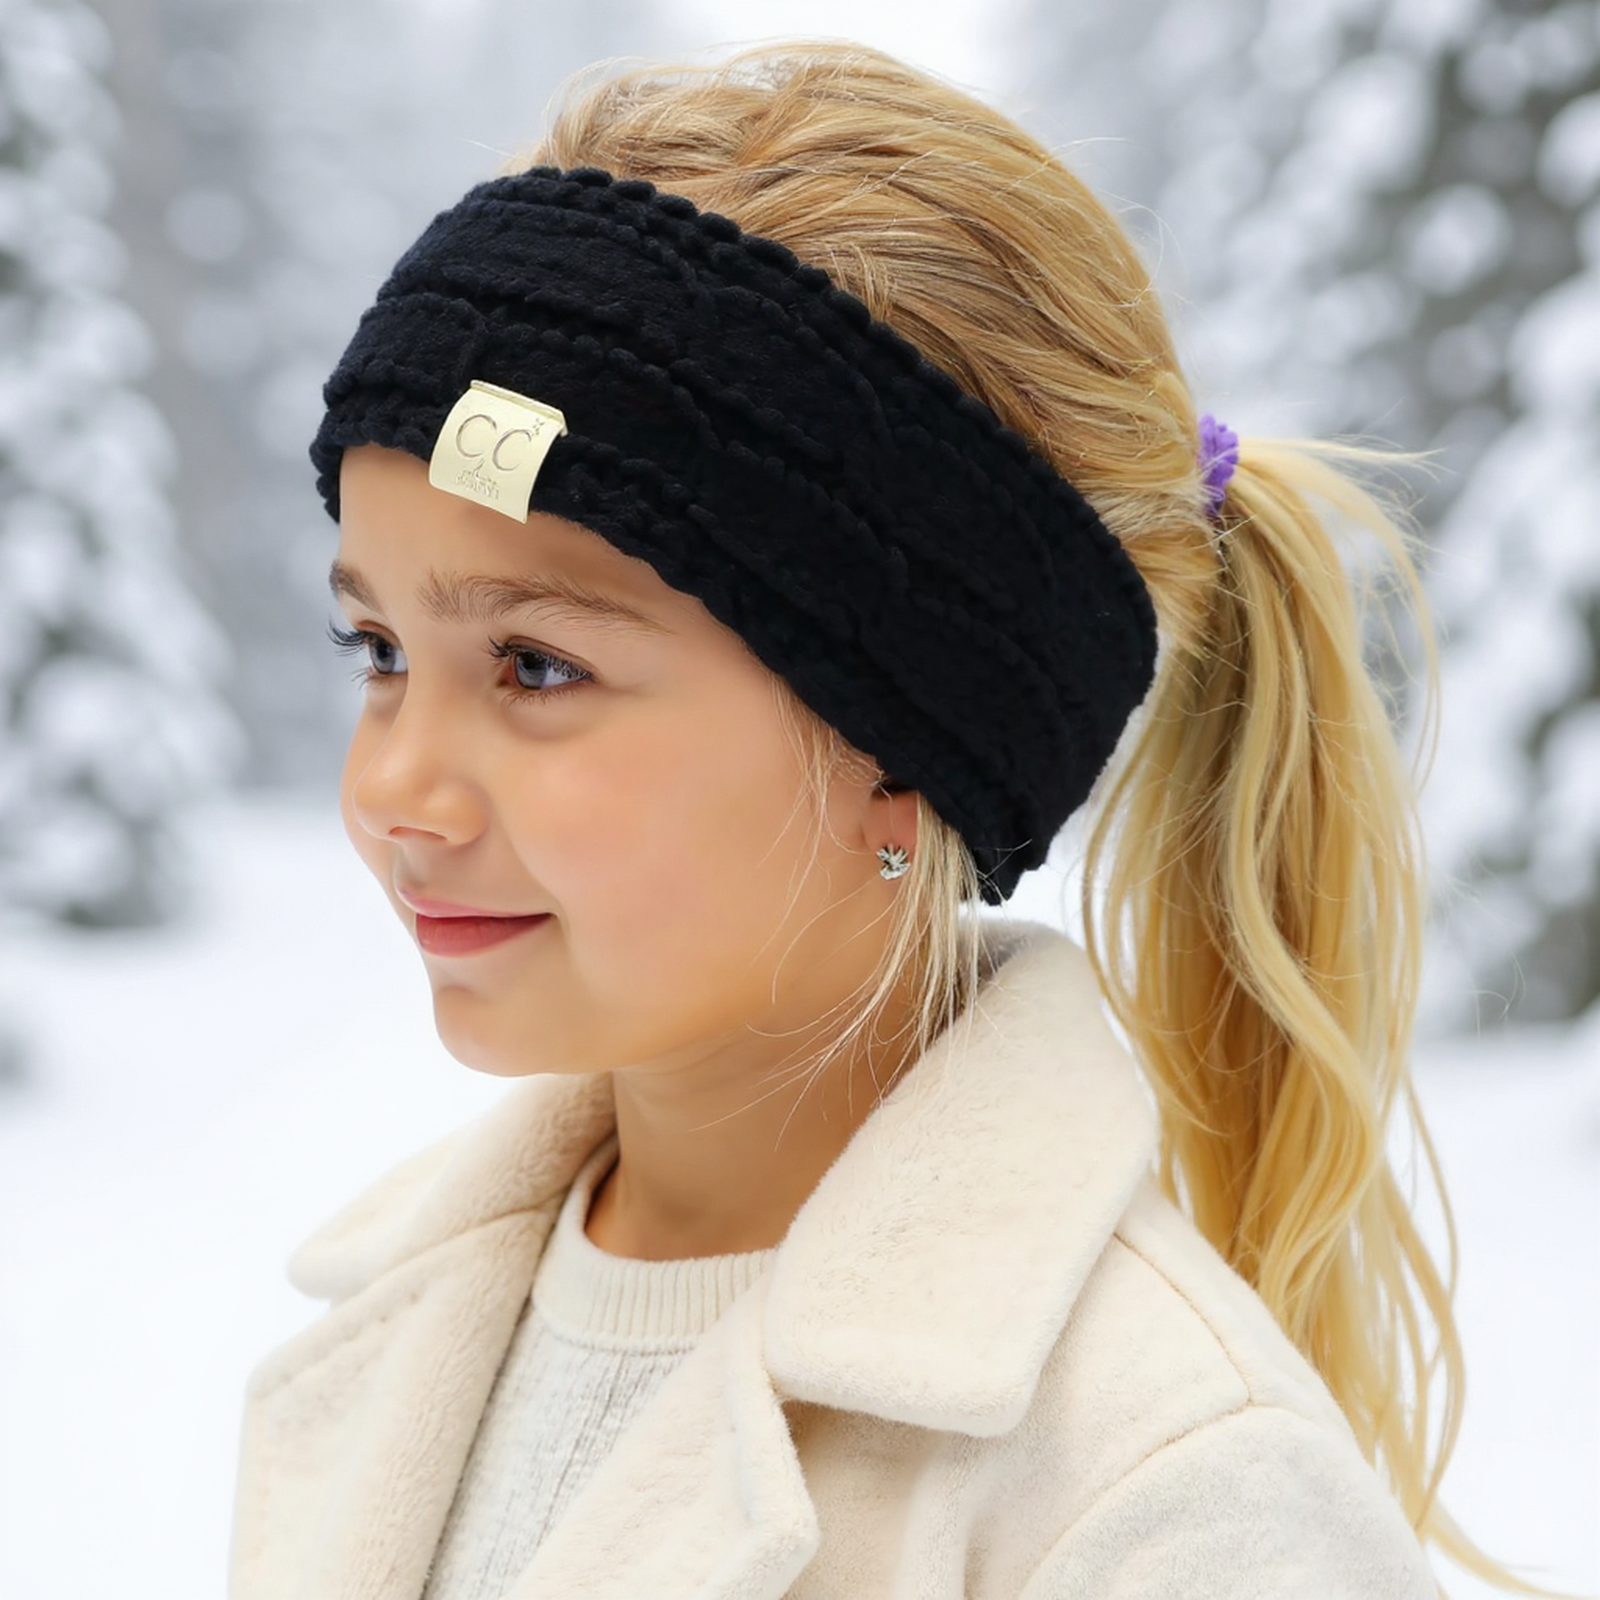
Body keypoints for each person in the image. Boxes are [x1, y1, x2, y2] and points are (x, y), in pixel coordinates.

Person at [229, 40, 1529, 1600]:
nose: (390, 790)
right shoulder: (413, 1314)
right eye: (377, 649)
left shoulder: (1168, 1496)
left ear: (899, 744)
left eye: (536, 665)